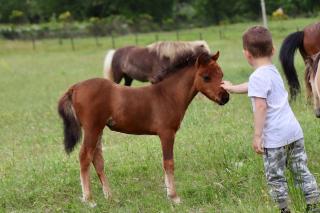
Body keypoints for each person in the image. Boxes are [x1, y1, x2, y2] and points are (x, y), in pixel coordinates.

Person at [222, 26, 320, 213]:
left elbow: (260, 106)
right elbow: (254, 85)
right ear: (273, 50)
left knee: (276, 177)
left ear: (246, 54)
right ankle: (314, 205)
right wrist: (233, 88)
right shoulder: (271, 71)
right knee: (301, 170)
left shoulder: (258, 76)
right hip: (293, 132)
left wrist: (258, 136)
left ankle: (284, 209)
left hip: (275, 139)